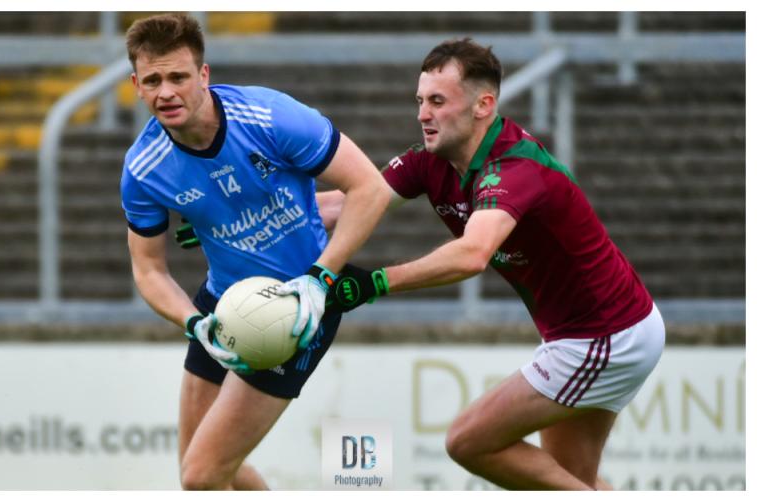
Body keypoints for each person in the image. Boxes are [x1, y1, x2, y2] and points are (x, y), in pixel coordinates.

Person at [318, 38, 665, 490]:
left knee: (468, 440)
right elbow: (347, 205)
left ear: (484, 105)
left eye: (438, 101)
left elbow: (472, 253)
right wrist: (242, 215)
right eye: (420, 100)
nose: (423, 113)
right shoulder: (431, 161)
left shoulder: (515, 168)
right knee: (569, 481)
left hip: (605, 334)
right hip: (590, 332)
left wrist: (375, 283)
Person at [120, 13, 389, 490]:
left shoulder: (269, 117)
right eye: (153, 80)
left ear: (203, 76)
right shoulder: (143, 169)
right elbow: (149, 270)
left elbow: (370, 188)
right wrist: (193, 323)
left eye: (178, 77)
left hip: (299, 308)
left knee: (203, 474)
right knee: (198, 473)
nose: (166, 92)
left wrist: (319, 279)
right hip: (222, 308)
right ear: (136, 85)